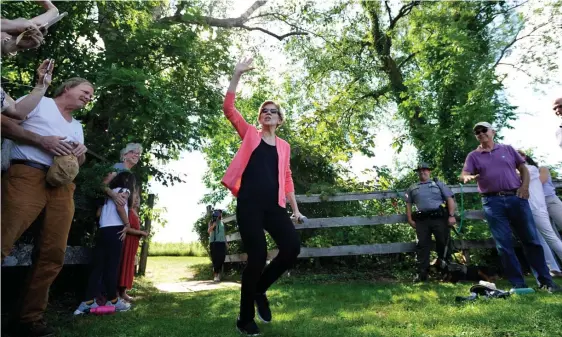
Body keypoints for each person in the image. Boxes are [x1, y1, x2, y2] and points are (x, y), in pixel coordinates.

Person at [1, 77, 94, 337]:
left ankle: (28, 319)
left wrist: (81, 152)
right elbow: (4, 123)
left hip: (62, 187)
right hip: (27, 175)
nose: (88, 97)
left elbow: (81, 161)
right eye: (85, 91)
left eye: (91, 95)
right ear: (67, 88)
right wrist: (42, 141)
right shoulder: (38, 103)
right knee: (2, 241)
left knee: (53, 254)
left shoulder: (76, 125)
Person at [222, 57, 303, 335]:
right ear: (259, 118)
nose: (267, 113)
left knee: (292, 248)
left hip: (275, 206)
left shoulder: (284, 146)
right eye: (263, 111)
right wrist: (237, 74)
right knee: (257, 257)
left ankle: (259, 290)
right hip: (250, 205)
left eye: (273, 111)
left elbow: (287, 177)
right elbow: (229, 109)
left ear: (280, 119)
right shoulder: (251, 136)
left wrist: (295, 208)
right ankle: (245, 319)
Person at [461, 121, 560, 292]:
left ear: (492, 131)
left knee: (531, 241)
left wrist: (524, 188)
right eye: (477, 132)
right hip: (492, 202)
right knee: (504, 244)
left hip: (516, 198)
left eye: (484, 130)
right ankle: (518, 285)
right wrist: (466, 178)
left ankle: (546, 282)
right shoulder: (473, 156)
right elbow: (464, 173)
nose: (481, 133)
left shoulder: (507, 149)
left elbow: (524, 169)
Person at [74, 172, 135, 315]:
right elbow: (120, 207)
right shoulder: (124, 190)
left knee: (98, 268)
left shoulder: (108, 194)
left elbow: (98, 214)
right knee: (112, 268)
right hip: (115, 231)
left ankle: (87, 302)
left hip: (103, 231)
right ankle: (113, 301)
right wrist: (127, 224)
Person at [405, 162, 456, 282]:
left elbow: (450, 199)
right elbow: (408, 204)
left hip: (439, 219)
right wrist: (409, 219)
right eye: (420, 170)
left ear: (429, 171)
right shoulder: (412, 188)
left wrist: (451, 216)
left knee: (443, 243)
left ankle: (448, 273)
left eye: (425, 170)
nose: (423, 172)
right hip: (422, 220)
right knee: (422, 245)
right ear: (417, 172)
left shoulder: (438, 184)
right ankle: (422, 274)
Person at [517, 150, 562, 277]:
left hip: (549, 201)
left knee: (551, 236)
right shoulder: (520, 171)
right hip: (532, 204)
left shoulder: (538, 169)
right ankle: (553, 269)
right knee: (541, 239)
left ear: (524, 157)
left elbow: (540, 181)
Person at [118, 190, 148, 302]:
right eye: (134, 198)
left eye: (138, 198)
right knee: (123, 264)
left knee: (129, 265)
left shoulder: (135, 212)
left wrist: (141, 233)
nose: (136, 200)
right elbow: (127, 228)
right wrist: (141, 233)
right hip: (127, 243)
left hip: (133, 244)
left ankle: (123, 292)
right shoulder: (128, 212)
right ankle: (118, 292)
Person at [208, 209, 228, 282]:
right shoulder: (211, 222)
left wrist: (226, 242)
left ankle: (216, 271)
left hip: (222, 242)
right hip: (213, 242)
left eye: (220, 214)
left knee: (222, 258)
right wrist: (213, 226)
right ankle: (216, 275)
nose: (220, 215)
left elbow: (224, 233)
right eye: (218, 214)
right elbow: (209, 231)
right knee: (215, 259)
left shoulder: (222, 223)